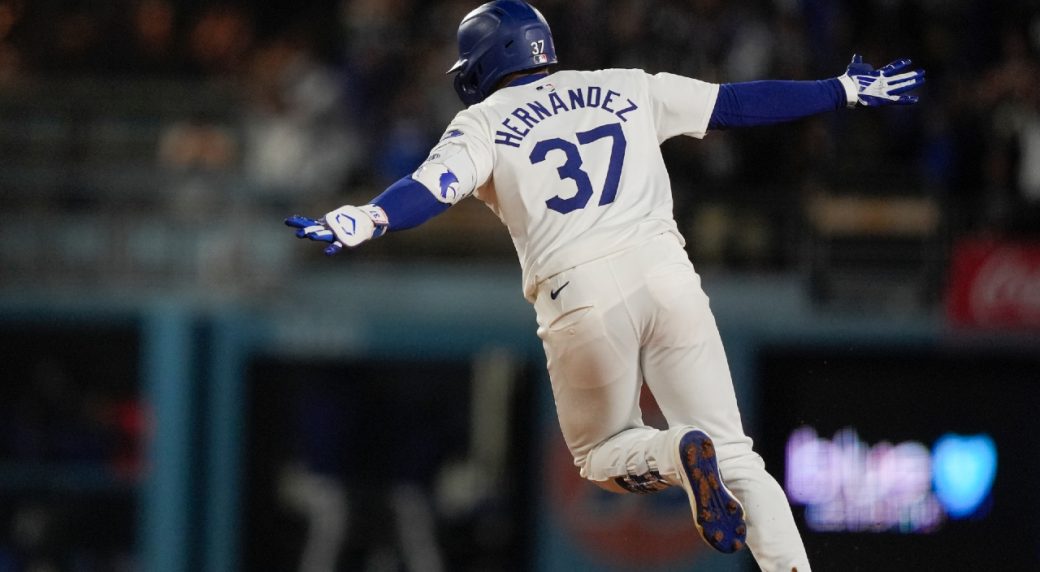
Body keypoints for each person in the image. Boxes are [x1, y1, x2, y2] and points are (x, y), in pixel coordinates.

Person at [285, 1, 925, 570]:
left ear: (482, 63)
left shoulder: (483, 121)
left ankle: (675, 455)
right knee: (736, 456)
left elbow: (430, 189)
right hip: (667, 275)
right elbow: (734, 104)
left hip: (579, 292)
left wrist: (367, 218)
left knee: (599, 455)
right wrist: (843, 89)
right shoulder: (626, 85)